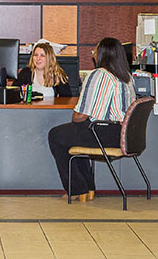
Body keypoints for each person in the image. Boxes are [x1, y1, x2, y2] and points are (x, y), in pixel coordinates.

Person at [48, 37, 135, 202]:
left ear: (103, 54)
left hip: (102, 133)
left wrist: (75, 115)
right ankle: (87, 189)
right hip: (122, 134)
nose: (92, 52)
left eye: (95, 49)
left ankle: (78, 189)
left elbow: (80, 116)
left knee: (56, 135)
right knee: (72, 137)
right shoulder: (127, 77)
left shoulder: (99, 75)